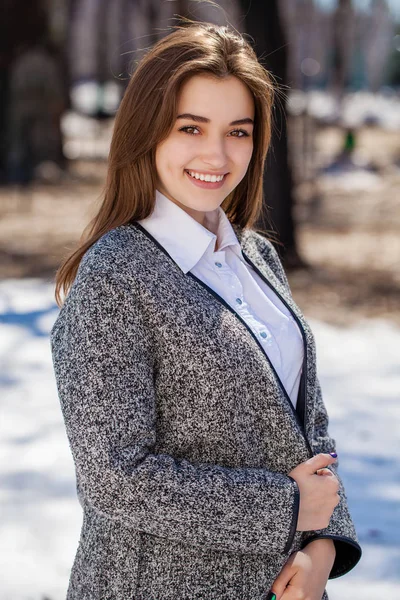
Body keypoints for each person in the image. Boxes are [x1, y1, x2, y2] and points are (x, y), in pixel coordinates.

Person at [50, 21, 361, 600]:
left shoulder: (258, 257)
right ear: (148, 131)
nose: (217, 155)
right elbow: (115, 479)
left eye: (237, 132)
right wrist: (288, 509)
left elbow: (308, 430)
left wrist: (323, 545)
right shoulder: (116, 273)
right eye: (190, 127)